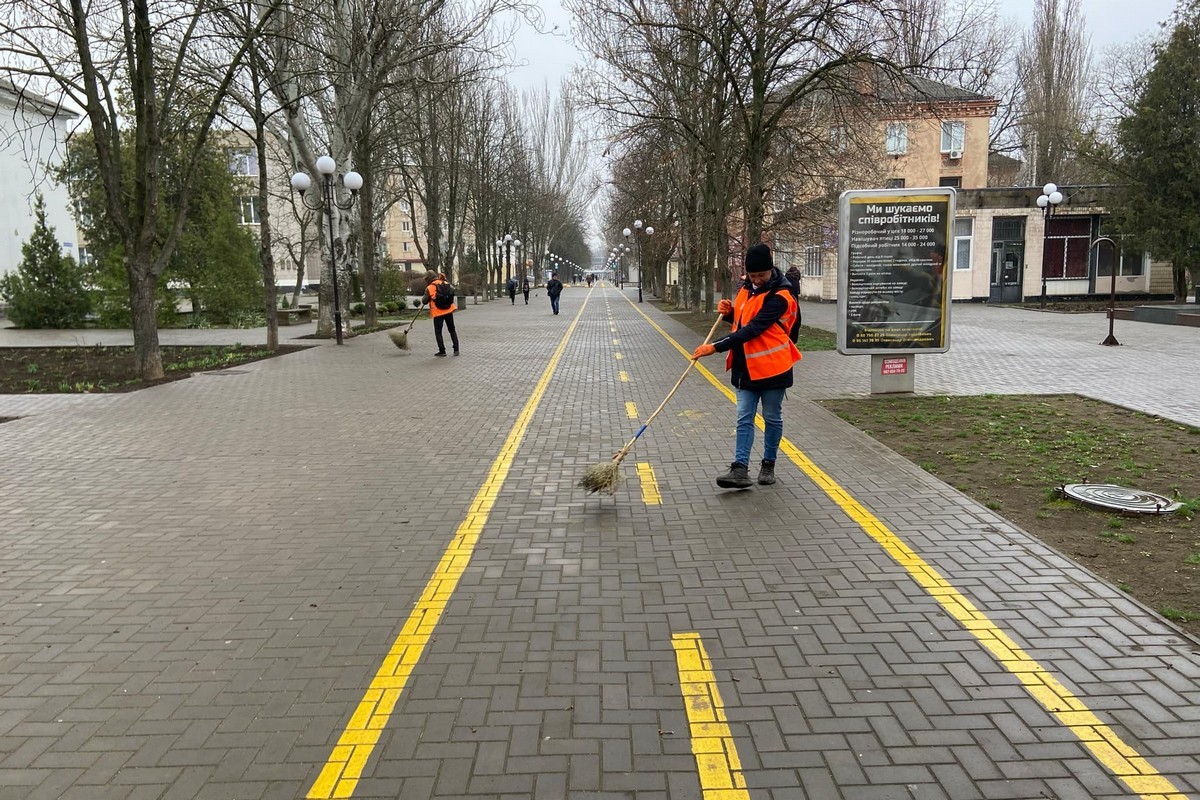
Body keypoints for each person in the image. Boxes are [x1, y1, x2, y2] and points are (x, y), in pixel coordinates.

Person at [691, 243, 802, 488]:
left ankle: (768, 464)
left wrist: (715, 347)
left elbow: (754, 329)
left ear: (771, 269)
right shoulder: (745, 288)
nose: (757, 280)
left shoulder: (781, 296)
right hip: (745, 367)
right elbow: (743, 321)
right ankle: (740, 469)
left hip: (773, 368)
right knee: (744, 418)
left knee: (772, 418)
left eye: (761, 275)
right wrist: (729, 312)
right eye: (752, 276)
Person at [421, 270, 459, 356]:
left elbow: (424, 301)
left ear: (428, 279)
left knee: (438, 332)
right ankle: (456, 349)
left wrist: (427, 296)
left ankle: (442, 351)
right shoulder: (445, 282)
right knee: (452, 330)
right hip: (449, 310)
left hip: (438, 312)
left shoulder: (430, 287)